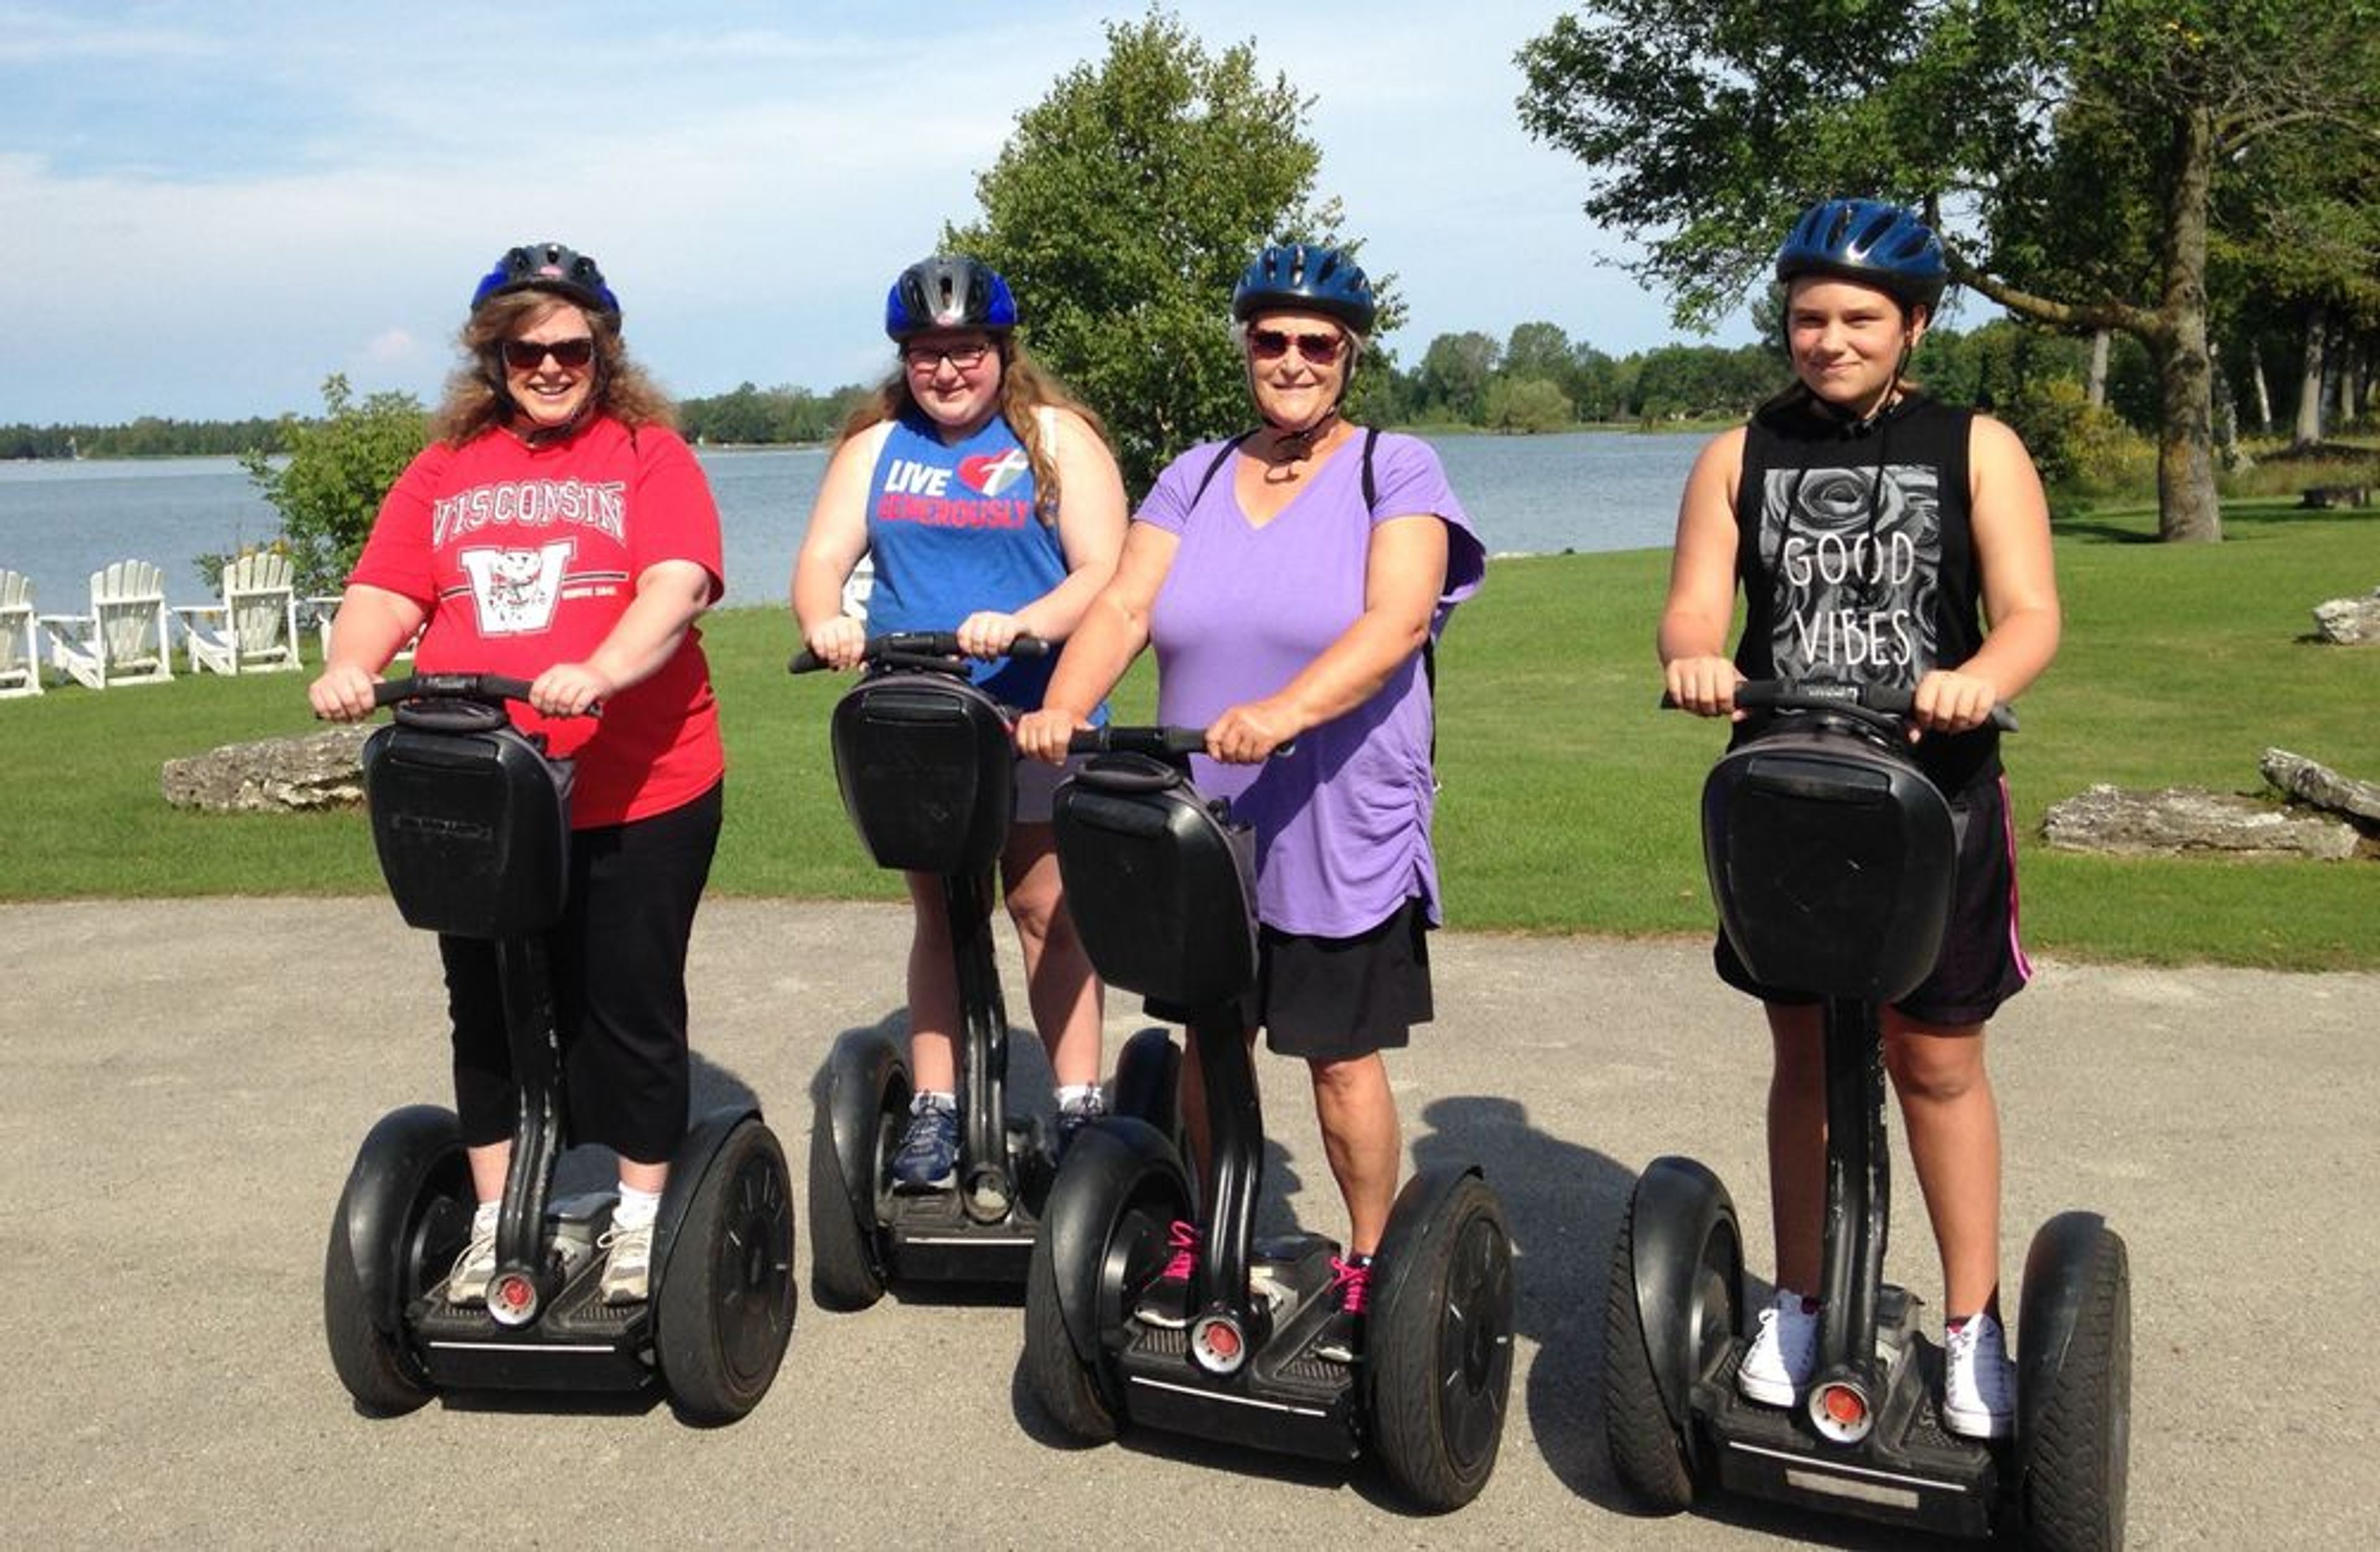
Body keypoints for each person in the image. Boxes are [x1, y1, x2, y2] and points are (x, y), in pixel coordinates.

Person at [1015, 243, 1486, 1365]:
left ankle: (1370, 1263)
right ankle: (1213, 1230)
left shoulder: (1395, 470)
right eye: (1271, 339)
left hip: (1338, 814)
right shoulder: (1193, 473)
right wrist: (1063, 706)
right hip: (1203, 817)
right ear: (1246, 348)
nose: (1292, 360)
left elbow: (1396, 623)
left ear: (1349, 355)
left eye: (1317, 342)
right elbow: (1125, 605)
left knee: (1337, 1054)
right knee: (1208, 1034)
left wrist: (1283, 712)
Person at [1659, 198, 2063, 1439]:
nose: (1829, 340)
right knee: (1806, 1056)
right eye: (1809, 318)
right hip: (1787, 795)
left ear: (1915, 325)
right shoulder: (1740, 454)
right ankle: (1798, 1298)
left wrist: (1977, 678)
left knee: (1934, 1058)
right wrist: (1696, 659)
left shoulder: (1975, 447)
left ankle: (1972, 1324)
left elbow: (2031, 612)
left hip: (1933, 800)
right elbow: (1692, 609)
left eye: (1859, 320)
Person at [309, 241, 727, 1307]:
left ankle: (639, 1216)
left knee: (625, 1004)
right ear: (492, 358)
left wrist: (602, 669)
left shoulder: (648, 456)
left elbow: (677, 586)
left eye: (571, 349)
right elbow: (386, 588)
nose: (549, 368)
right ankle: (499, 1219)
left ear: (603, 352)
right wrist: (353, 663)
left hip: (640, 786)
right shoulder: (446, 467)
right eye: (525, 351)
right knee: (487, 1008)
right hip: (482, 792)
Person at [791, 255, 1129, 1191]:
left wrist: (1027, 623)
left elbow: (1104, 570)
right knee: (942, 914)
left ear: (1001, 351)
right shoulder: (877, 446)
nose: (947, 371)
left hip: (1035, 711)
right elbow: (821, 559)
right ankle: (937, 1108)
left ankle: (1077, 1101)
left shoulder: (1056, 438)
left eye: (967, 350)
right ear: (905, 359)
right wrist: (826, 620)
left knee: (1045, 910)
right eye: (927, 354)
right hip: (919, 716)